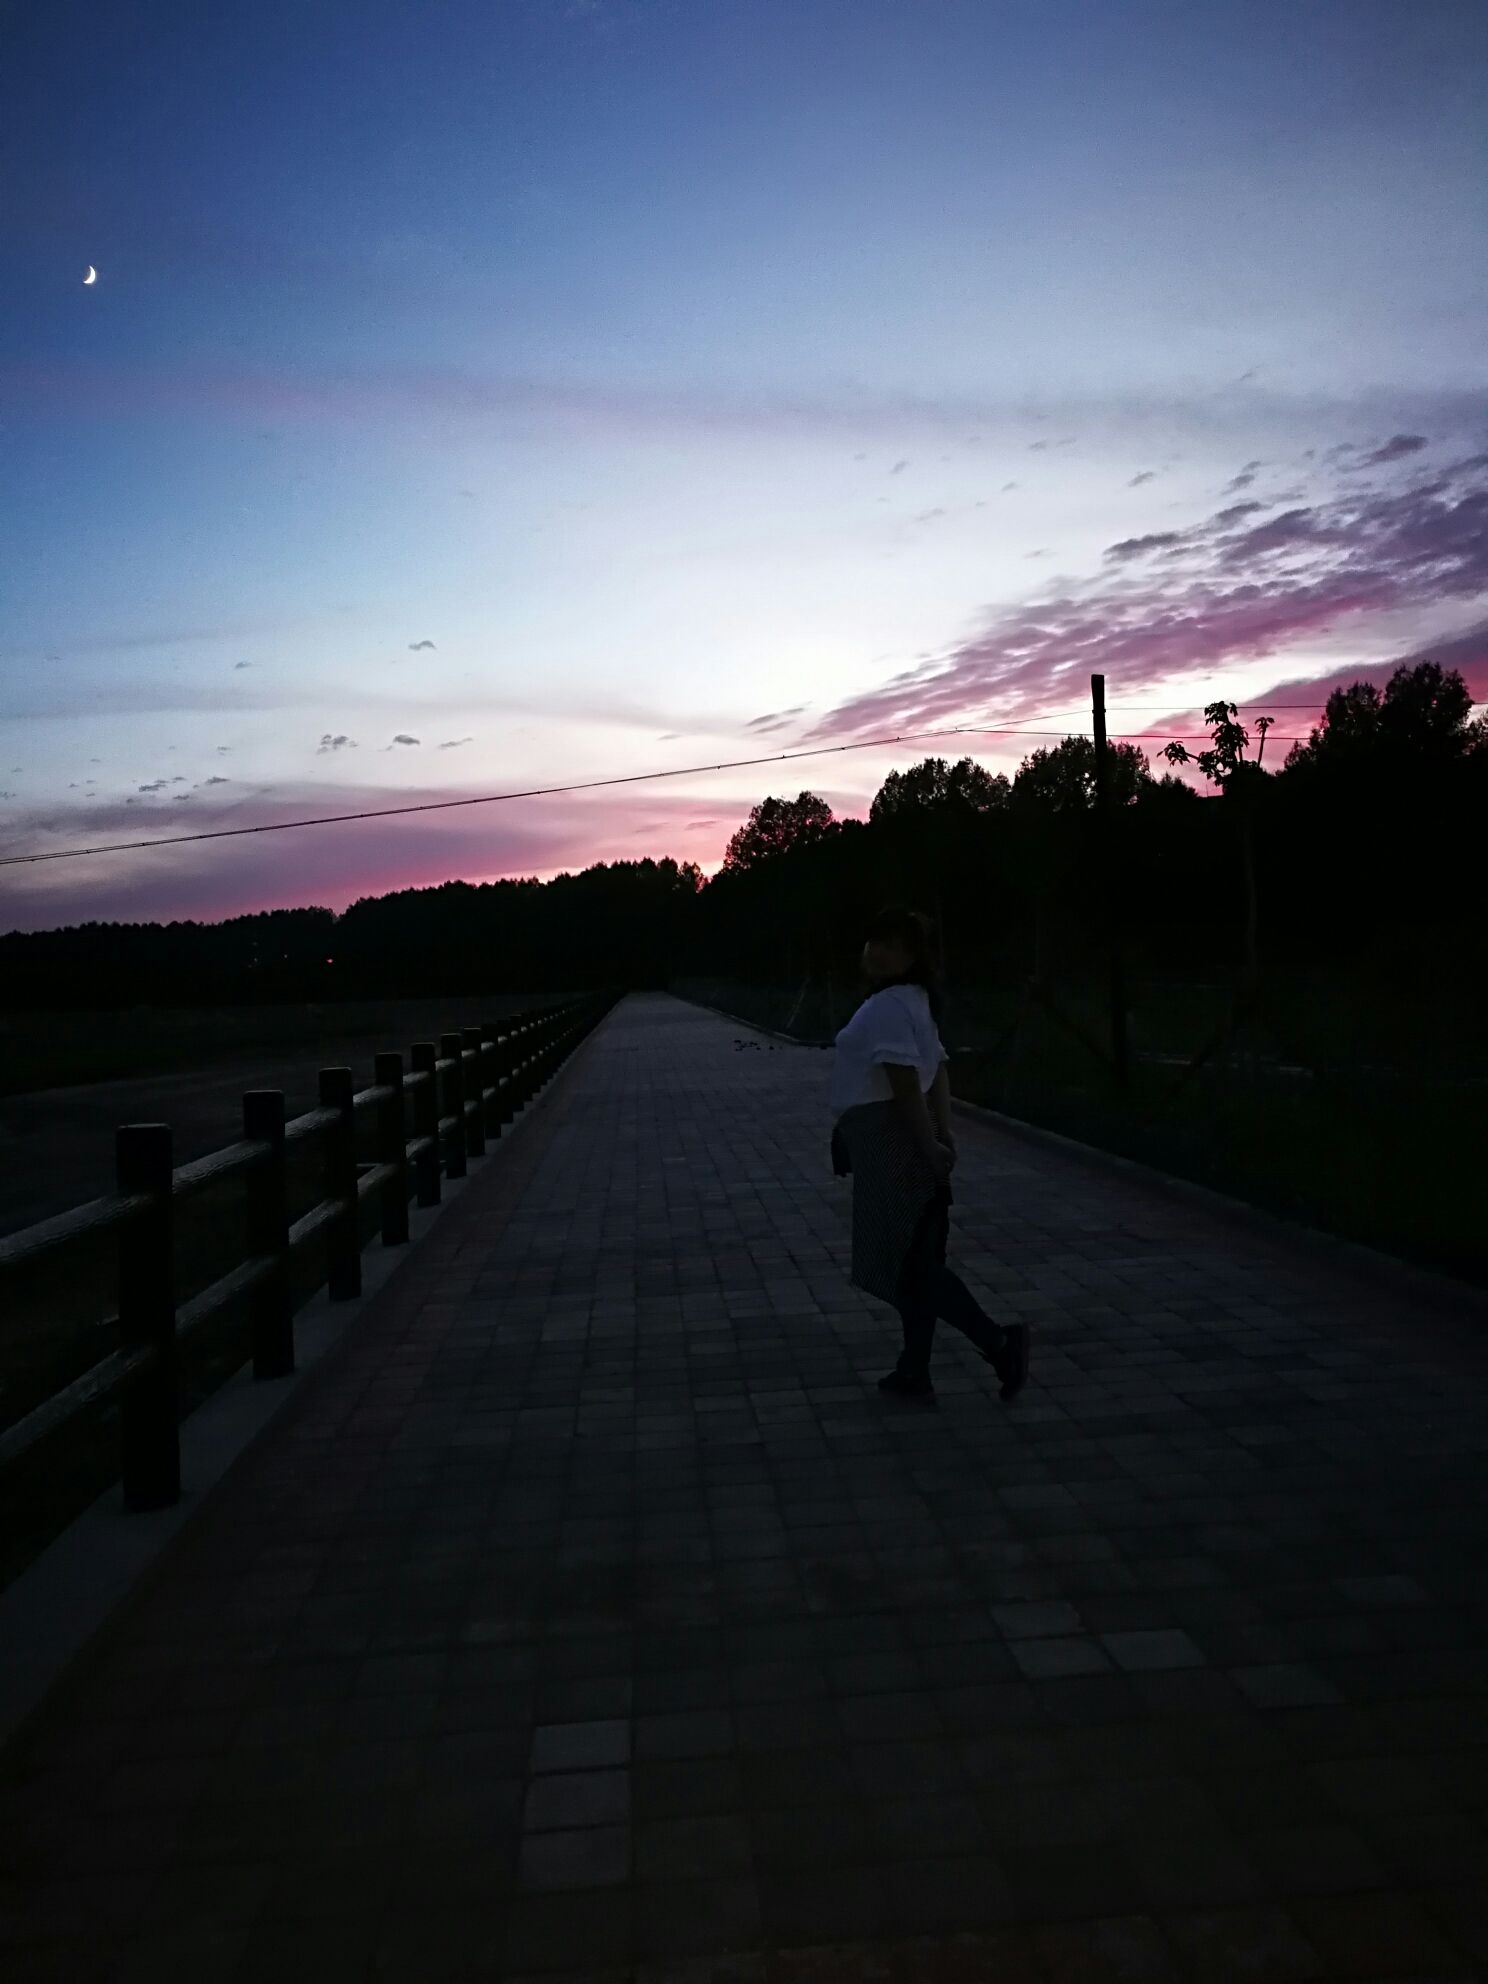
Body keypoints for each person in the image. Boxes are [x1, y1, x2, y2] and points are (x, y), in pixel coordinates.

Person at [830, 907, 1028, 1401]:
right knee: (916, 1260)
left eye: (892, 945)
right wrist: (944, 1134)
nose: (877, 951)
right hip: (901, 1136)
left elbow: (904, 1082)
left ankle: (1000, 1343)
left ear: (913, 957)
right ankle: (915, 1370)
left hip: (893, 1140)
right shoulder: (911, 1000)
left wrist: (928, 1142)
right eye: (875, 941)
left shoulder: (890, 1005)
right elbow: (936, 1069)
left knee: (910, 1265)